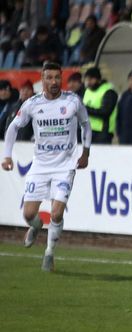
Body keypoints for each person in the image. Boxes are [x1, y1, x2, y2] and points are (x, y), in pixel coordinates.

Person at [1, 62, 92, 272]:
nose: (53, 82)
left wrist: (85, 152)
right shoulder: (32, 104)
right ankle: (35, 227)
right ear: (42, 80)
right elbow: (13, 127)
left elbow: (86, 125)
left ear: (61, 79)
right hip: (40, 166)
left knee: (57, 212)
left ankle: (49, 253)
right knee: (28, 214)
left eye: (57, 77)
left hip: (65, 165)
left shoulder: (72, 101)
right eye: (49, 78)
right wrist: (7, 156)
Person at [83, 67, 118, 144]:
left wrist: (85, 109)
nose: (88, 82)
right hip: (88, 131)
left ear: (98, 79)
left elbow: (105, 112)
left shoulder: (108, 91)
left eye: (91, 79)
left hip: (103, 132)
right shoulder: (88, 91)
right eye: (87, 79)